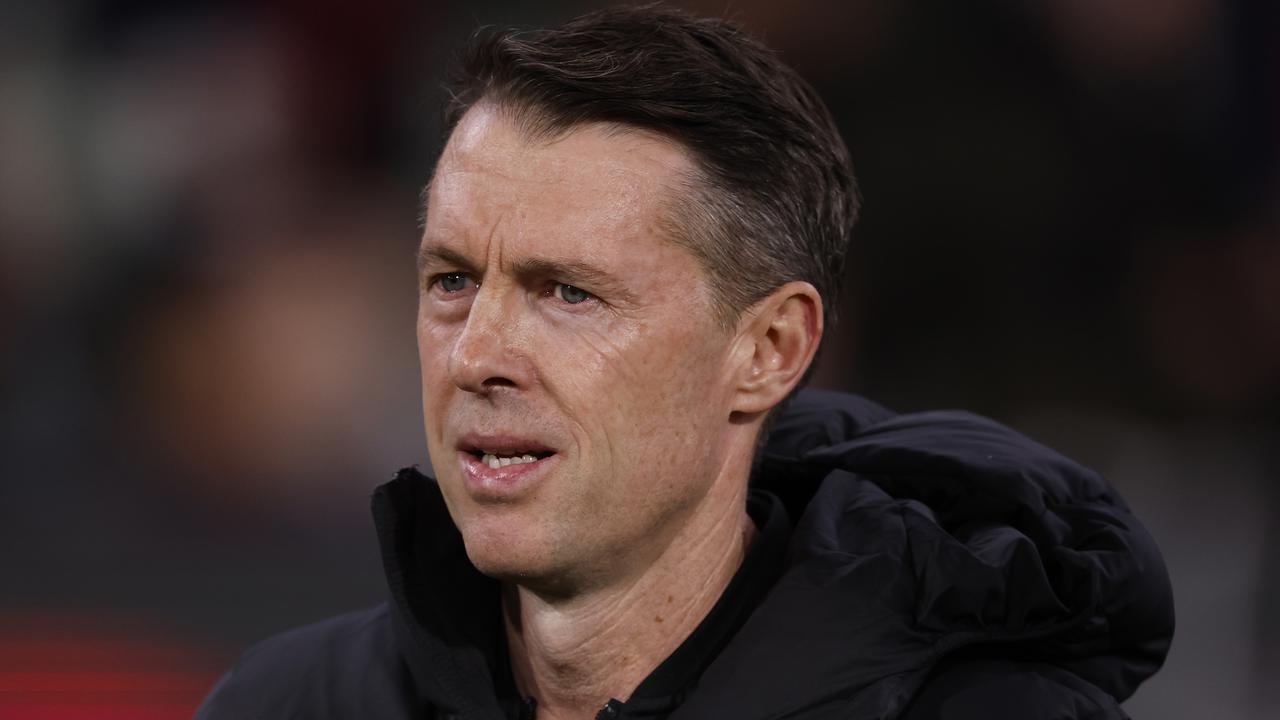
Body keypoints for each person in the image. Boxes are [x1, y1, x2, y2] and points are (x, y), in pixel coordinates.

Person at [196, 6, 1173, 719]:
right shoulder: (288, 705)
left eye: (568, 293)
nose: (478, 355)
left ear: (766, 349)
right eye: (451, 280)